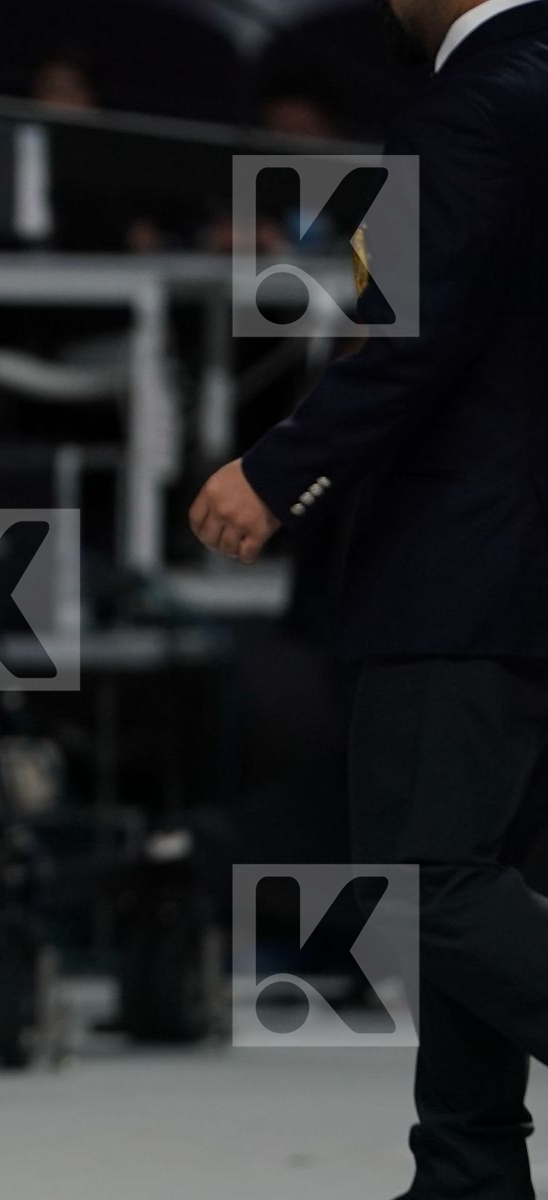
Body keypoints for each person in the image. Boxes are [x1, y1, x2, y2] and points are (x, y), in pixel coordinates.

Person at [189, 2, 548, 1195]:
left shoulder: (461, 112)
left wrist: (276, 469)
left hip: (465, 567)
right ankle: (465, 1173)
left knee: (427, 873)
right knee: (498, 880)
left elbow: (409, 338)